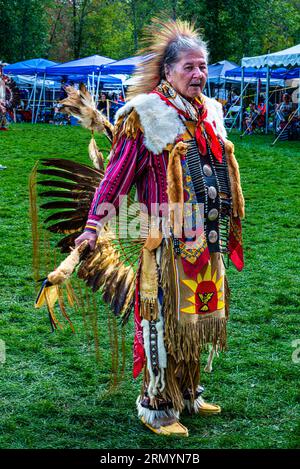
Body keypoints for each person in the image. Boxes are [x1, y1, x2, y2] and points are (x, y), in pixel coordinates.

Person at [74, 18, 245, 437]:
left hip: (205, 239)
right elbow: (116, 176)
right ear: (167, 71)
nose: (198, 74)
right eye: (188, 66)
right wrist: (94, 224)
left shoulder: (211, 114)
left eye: (202, 66)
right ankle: (157, 403)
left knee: (199, 317)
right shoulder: (145, 115)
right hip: (164, 241)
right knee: (163, 321)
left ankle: (188, 391)